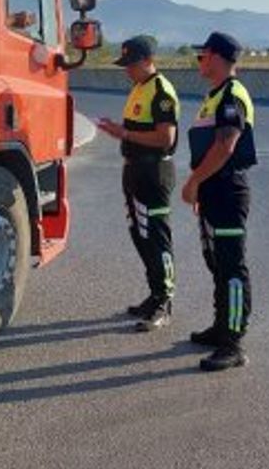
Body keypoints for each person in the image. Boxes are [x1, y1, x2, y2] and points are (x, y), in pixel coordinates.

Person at [180, 31, 257, 371]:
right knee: (217, 264)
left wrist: (194, 181)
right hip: (213, 191)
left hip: (227, 191)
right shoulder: (215, 95)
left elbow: (225, 146)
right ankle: (221, 326)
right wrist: (201, 187)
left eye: (202, 56)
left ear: (215, 57)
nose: (199, 61)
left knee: (231, 268)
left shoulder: (231, 95)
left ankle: (233, 343)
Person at [96, 36, 180, 331]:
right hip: (134, 171)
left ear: (148, 60)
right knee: (140, 235)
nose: (127, 70)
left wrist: (125, 134)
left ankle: (164, 302)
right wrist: (120, 133)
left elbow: (165, 138)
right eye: (125, 64)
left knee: (156, 237)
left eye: (131, 64)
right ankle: (154, 293)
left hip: (154, 173)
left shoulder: (161, 90)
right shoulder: (139, 88)